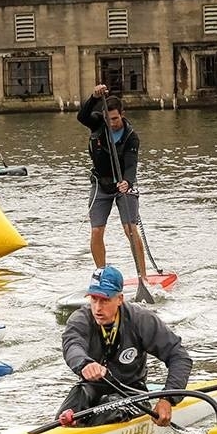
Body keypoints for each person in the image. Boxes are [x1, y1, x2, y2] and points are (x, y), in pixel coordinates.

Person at [56, 265, 193, 427]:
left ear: (120, 299)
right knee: (69, 408)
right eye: (94, 299)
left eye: (105, 300)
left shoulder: (141, 320)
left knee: (110, 407)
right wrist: (84, 363)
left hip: (132, 392)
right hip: (91, 388)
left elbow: (179, 356)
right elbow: (72, 345)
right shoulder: (81, 319)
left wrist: (167, 398)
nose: (98, 308)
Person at [77, 84, 152, 285]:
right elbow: (81, 117)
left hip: (123, 186)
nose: (113, 123)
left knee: (130, 229)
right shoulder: (98, 125)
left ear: (122, 115)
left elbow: (131, 163)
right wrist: (93, 97)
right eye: (109, 120)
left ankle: (142, 277)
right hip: (100, 185)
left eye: (116, 119)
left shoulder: (131, 137)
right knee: (96, 231)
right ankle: (101, 276)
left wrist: (127, 182)